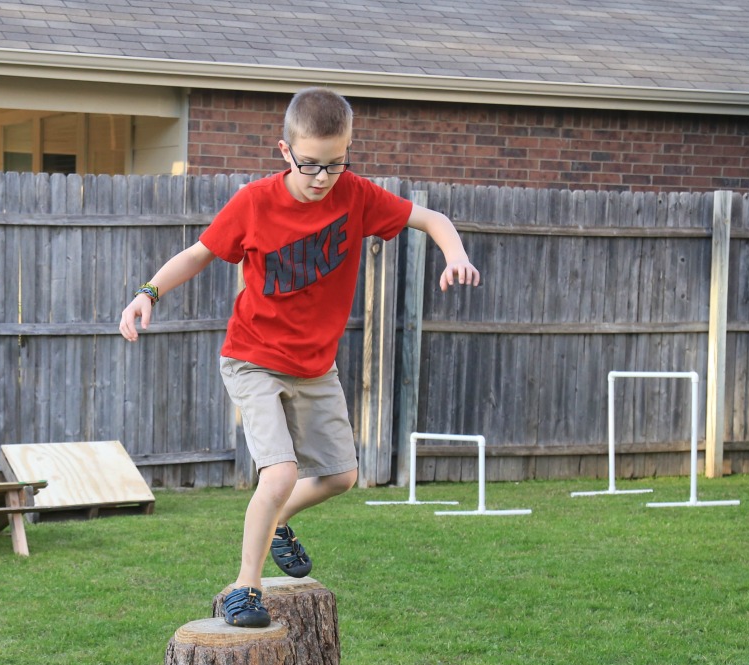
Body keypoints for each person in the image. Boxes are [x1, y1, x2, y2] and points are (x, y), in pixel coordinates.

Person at [118, 87, 480, 627]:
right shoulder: (255, 202)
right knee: (281, 470)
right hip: (253, 359)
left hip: (315, 366)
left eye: (336, 164)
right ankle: (246, 586)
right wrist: (147, 291)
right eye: (310, 164)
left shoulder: (355, 195)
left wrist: (455, 255)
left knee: (340, 477)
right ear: (284, 151)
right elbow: (199, 253)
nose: (322, 178)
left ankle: (278, 523)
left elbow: (432, 220)